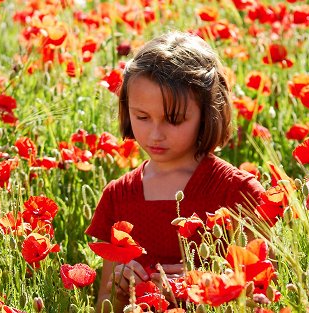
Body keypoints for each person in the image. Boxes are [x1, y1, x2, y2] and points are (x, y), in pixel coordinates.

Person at [85, 31, 265, 312]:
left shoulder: (239, 193)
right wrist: (122, 293)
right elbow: (104, 306)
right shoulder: (118, 196)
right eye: (142, 117)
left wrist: (205, 286)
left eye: (174, 120)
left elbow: (266, 293)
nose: (155, 134)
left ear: (208, 113)